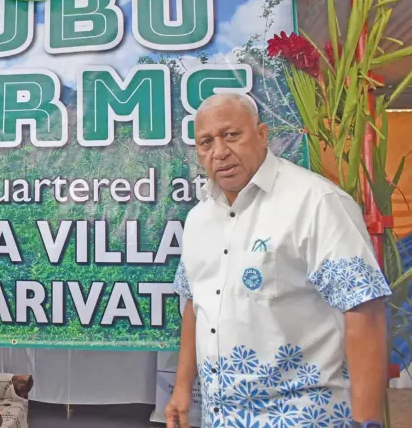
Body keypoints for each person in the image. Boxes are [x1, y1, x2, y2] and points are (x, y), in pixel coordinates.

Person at [166, 93, 391, 428]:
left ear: (261, 134)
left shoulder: (316, 203)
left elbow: (364, 309)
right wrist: (182, 388)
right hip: (222, 417)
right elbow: (195, 305)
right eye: (206, 142)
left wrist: (367, 420)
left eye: (232, 135)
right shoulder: (199, 218)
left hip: (305, 416)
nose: (220, 152)